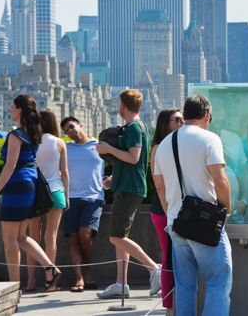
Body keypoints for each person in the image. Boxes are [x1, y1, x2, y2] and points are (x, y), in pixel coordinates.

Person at [154, 95, 232, 316]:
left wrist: (173, 215)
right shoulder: (209, 139)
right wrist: (227, 207)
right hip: (204, 223)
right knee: (218, 282)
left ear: (185, 115)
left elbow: (159, 187)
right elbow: (221, 180)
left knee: (185, 286)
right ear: (207, 115)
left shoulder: (164, 145)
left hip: (177, 224)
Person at [0, 95, 61, 292]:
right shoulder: (33, 133)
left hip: (16, 185)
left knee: (9, 238)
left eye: (12, 106)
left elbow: (9, 167)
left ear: (19, 110)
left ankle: (13, 286)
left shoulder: (16, 135)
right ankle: (50, 268)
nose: (10, 110)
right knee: (21, 237)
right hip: (30, 185)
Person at [96, 89, 161, 298]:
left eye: (119, 103)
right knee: (120, 236)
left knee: (116, 237)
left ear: (123, 105)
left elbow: (134, 157)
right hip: (125, 186)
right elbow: (133, 162)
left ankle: (153, 269)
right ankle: (120, 283)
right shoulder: (135, 127)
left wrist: (108, 148)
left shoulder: (134, 128)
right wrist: (113, 178)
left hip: (130, 189)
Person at [25, 110, 69, 292]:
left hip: (35, 193)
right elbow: (64, 172)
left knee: (32, 238)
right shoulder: (59, 143)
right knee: (50, 237)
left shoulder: (30, 141)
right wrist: (67, 197)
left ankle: (30, 281)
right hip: (56, 191)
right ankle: (50, 282)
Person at [61, 116, 105, 292]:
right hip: (70, 198)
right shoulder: (65, 147)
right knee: (72, 238)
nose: (70, 132)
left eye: (71, 127)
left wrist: (110, 179)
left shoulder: (99, 145)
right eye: (66, 131)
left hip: (94, 198)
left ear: (81, 124)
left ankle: (87, 272)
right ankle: (79, 278)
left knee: (85, 235)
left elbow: (118, 164)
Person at [150, 109, 183, 315]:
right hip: (163, 210)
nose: (181, 122)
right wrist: (168, 213)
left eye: (182, 119)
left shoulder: (179, 145)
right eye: (176, 119)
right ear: (165, 123)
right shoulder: (157, 149)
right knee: (168, 258)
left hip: (176, 209)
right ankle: (169, 306)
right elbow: (158, 185)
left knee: (177, 257)